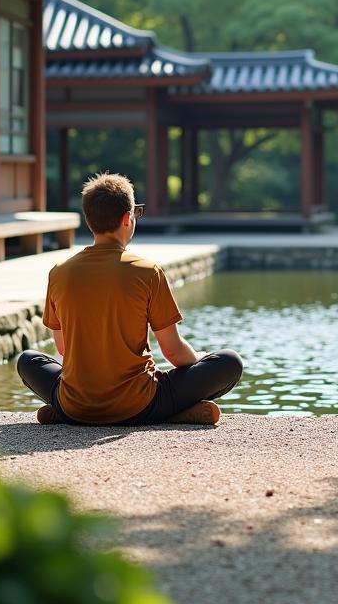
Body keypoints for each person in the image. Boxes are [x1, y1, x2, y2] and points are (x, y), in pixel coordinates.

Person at [17, 171, 243, 426]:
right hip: (139, 405)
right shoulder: (147, 272)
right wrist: (200, 359)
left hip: (76, 404)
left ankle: (63, 412)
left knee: (28, 360)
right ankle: (176, 414)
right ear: (127, 218)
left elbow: (63, 349)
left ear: (89, 220)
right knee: (229, 362)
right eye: (136, 213)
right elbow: (173, 351)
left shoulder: (59, 273)